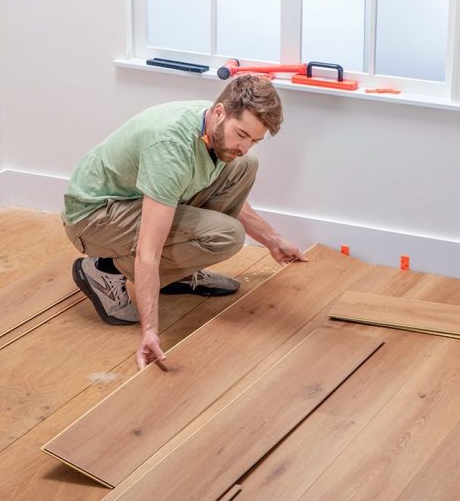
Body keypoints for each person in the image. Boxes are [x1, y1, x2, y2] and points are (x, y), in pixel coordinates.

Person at [61, 75, 307, 369]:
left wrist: (274, 242)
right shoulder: (171, 148)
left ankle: (178, 271)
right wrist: (150, 331)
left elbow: (219, 184)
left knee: (243, 167)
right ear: (219, 112)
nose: (245, 146)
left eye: (254, 140)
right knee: (226, 236)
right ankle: (104, 270)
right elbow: (148, 251)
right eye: (241, 134)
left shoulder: (213, 128)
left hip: (133, 201)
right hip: (94, 217)